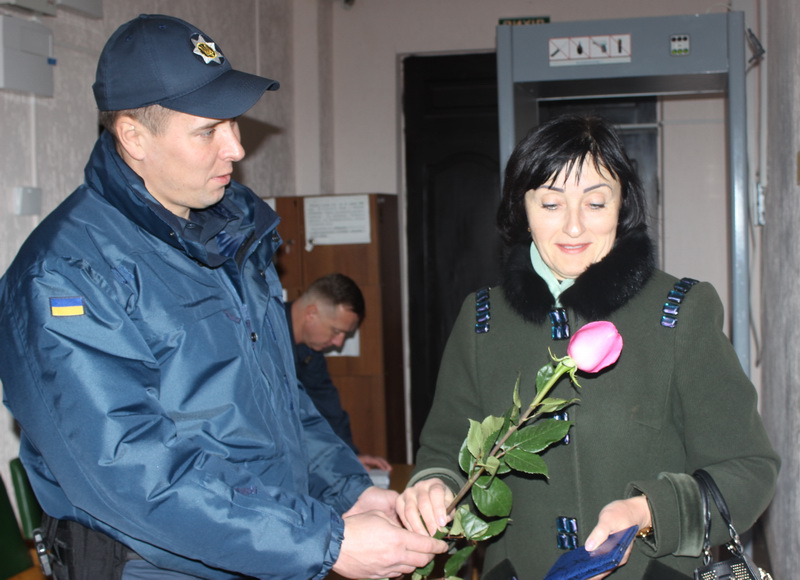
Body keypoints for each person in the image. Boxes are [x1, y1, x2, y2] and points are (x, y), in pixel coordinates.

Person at [0, 14, 446, 580]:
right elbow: (130, 470)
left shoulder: (230, 238)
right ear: (134, 137)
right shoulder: (66, 272)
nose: (235, 148)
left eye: (233, 123)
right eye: (208, 131)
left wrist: (347, 493)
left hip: (267, 549)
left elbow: (277, 400)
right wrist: (323, 542)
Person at [396, 114, 780, 579]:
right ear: (522, 209)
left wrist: (647, 512)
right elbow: (444, 449)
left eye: (595, 203)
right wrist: (433, 485)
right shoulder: (483, 320)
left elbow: (748, 467)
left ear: (622, 206)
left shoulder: (678, 312)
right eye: (551, 204)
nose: (574, 227)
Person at [286, 273, 392, 472]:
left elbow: (327, 405)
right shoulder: (261, 336)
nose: (339, 343)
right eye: (336, 331)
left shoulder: (311, 349)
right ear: (311, 313)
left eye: (345, 334)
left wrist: (349, 456)